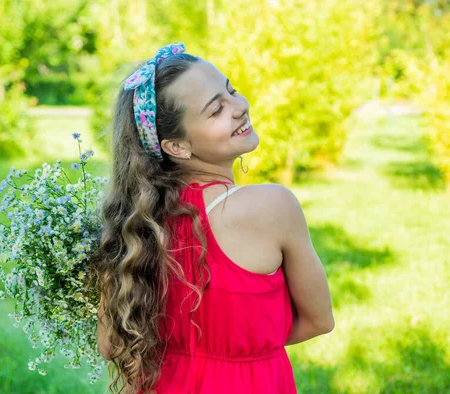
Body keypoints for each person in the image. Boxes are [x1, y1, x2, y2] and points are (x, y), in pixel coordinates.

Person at [90, 43, 334, 394]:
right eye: (216, 109)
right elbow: (318, 320)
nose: (241, 106)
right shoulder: (273, 206)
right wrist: (244, 349)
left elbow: (110, 344)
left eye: (231, 90)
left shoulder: (134, 226)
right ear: (177, 146)